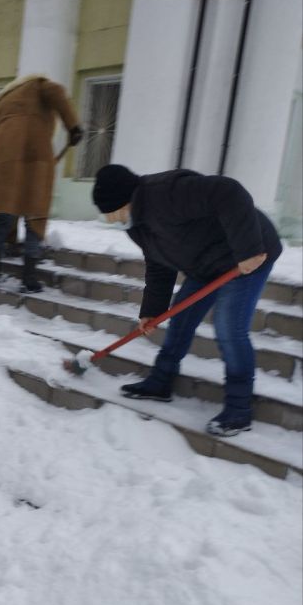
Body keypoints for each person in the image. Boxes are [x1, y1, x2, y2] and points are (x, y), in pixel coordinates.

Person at [92, 164, 283, 437]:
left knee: (228, 328)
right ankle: (160, 383)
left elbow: (230, 192)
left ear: (126, 199)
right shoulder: (137, 225)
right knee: (180, 319)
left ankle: (239, 410)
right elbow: (159, 264)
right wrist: (153, 311)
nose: (113, 220)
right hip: (206, 264)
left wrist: (249, 249)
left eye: (113, 213)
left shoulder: (167, 193)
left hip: (248, 255)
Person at [0, 74, 83, 292]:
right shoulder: (37, 85)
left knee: (4, 212)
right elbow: (56, 92)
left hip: (3, 159)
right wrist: (73, 126)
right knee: (34, 214)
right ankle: (29, 279)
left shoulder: (1, 103)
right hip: (34, 155)